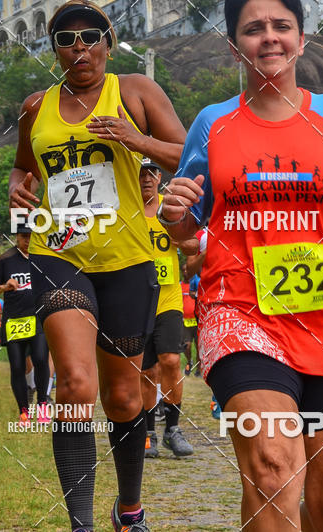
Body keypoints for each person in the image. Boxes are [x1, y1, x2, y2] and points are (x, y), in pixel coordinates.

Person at [159, 0, 323, 531]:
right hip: (242, 315)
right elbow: (188, 236)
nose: (269, 38)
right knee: (275, 467)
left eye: (283, 26)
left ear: (303, 40)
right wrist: (175, 216)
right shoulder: (212, 124)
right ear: (235, 46)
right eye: (254, 29)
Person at [9, 0, 186, 532]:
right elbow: (22, 170)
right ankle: (80, 523)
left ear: (108, 42)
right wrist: (19, 190)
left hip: (128, 259)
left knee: (123, 395)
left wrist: (134, 140)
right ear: (55, 50)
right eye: (67, 38)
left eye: (91, 35)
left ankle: (127, 507)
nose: (80, 46)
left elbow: (192, 153)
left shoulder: (134, 91)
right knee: (75, 385)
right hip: (59, 251)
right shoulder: (35, 107)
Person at [138, 157, 197, 459]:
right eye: (141, 173)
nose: (147, 178)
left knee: (171, 360)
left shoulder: (170, 207)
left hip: (169, 299)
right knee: (147, 370)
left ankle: (173, 428)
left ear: (159, 176)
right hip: (137, 301)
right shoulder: (127, 210)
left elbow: (192, 245)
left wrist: (175, 230)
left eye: (152, 173)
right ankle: (148, 432)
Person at [0, 221, 51, 425]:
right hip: (14, 320)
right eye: (24, 237)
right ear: (17, 238)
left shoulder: (43, 257)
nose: (27, 241)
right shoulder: (6, 260)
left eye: (31, 236)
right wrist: (5, 286)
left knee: (40, 359)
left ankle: (42, 405)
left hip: (37, 317)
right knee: (18, 366)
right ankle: (23, 412)